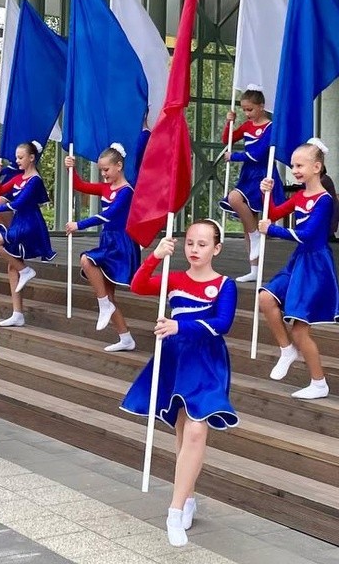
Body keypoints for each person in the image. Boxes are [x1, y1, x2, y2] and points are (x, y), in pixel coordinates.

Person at [121, 220, 238, 548]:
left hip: (207, 362)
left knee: (197, 430)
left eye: (202, 244)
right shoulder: (174, 278)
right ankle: (186, 496)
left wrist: (179, 327)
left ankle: (174, 511)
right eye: (190, 243)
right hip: (175, 360)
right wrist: (155, 256)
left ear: (216, 248)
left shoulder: (226, 284)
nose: (195, 249)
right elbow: (138, 285)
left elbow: (222, 324)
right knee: (183, 432)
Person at [258, 138, 339, 400]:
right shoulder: (299, 196)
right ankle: (286, 350)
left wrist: (271, 230)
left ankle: (319, 383)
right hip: (299, 261)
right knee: (265, 298)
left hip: (315, 267)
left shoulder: (324, 200)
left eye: (300, 165)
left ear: (317, 167)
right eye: (293, 165)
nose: (294, 170)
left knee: (300, 329)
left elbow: (308, 234)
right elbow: (272, 212)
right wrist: (267, 193)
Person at [64, 143, 140, 352]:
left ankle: (103, 304)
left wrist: (79, 225)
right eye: (101, 171)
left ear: (119, 165)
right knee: (108, 293)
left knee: (86, 260)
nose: (103, 175)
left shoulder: (126, 191)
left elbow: (108, 215)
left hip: (121, 244)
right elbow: (80, 186)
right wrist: (71, 169)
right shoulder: (106, 188)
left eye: (106, 170)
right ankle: (125, 338)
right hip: (107, 240)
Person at [218, 86, 284, 282]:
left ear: (261, 106)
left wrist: (234, 156)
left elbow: (257, 154)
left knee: (234, 197)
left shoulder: (270, 127)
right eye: (244, 110)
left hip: (262, 174)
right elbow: (226, 139)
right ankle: (254, 269)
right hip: (248, 174)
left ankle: (255, 235)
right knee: (249, 223)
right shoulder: (247, 126)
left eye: (250, 109)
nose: (247, 114)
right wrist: (229, 123)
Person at [0, 141, 56, 327]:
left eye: (20, 157)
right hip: (19, 222)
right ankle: (17, 313)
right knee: (12, 265)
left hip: (30, 224)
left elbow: (19, 204)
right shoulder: (20, 177)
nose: (17, 161)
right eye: (17, 157)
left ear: (32, 158)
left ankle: (26, 270)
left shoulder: (35, 180)